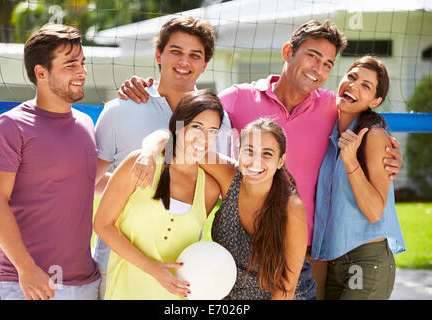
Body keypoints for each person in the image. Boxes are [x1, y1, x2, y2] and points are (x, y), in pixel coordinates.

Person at [116, 19, 403, 299]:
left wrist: (388, 151)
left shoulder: (333, 105)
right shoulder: (238, 98)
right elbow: (189, 125)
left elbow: (366, 116)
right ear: (288, 52)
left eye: (328, 64)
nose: (319, 68)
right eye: (312, 56)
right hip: (238, 255)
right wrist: (150, 89)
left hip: (305, 250)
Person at [93, 16, 232, 298]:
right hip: (116, 264)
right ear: (158, 54)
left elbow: (217, 184)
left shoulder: (219, 120)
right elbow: (89, 183)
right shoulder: (120, 109)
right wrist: (129, 184)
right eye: (176, 51)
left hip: (180, 278)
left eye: (195, 55)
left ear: (204, 65)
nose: (185, 62)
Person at [0, 23, 100, 300]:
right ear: (41, 73)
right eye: (71, 65)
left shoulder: (85, 123)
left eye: (82, 63)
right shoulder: (9, 126)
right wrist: (26, 268)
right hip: (28, 283)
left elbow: (85, 182)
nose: (82, 72)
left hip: (85, 281)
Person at [138, 117, 315, 299]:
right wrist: (148, 154)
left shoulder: (291, 208)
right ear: (238, 153)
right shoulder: (229, 175)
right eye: (249, 151)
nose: (255, 161)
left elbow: (286, 289)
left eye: (267, 154)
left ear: (280, 161)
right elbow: (176, 141)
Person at [93, 90, 223, 299]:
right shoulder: (140, 163)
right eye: (197, 127)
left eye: (213, 131)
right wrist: (151, 268)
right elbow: (102, 224)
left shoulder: (209, 188)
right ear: (179, 127)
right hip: (125, 292)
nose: (204, 138)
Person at [311, 56, 406, 299]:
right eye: (351, 77)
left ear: (375, 101)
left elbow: (375, 212)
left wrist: (351, 160)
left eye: (366, 85)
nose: (353, 86)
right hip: (334, 260)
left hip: (366, 260)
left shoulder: (373, 136)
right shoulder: (331, 131)